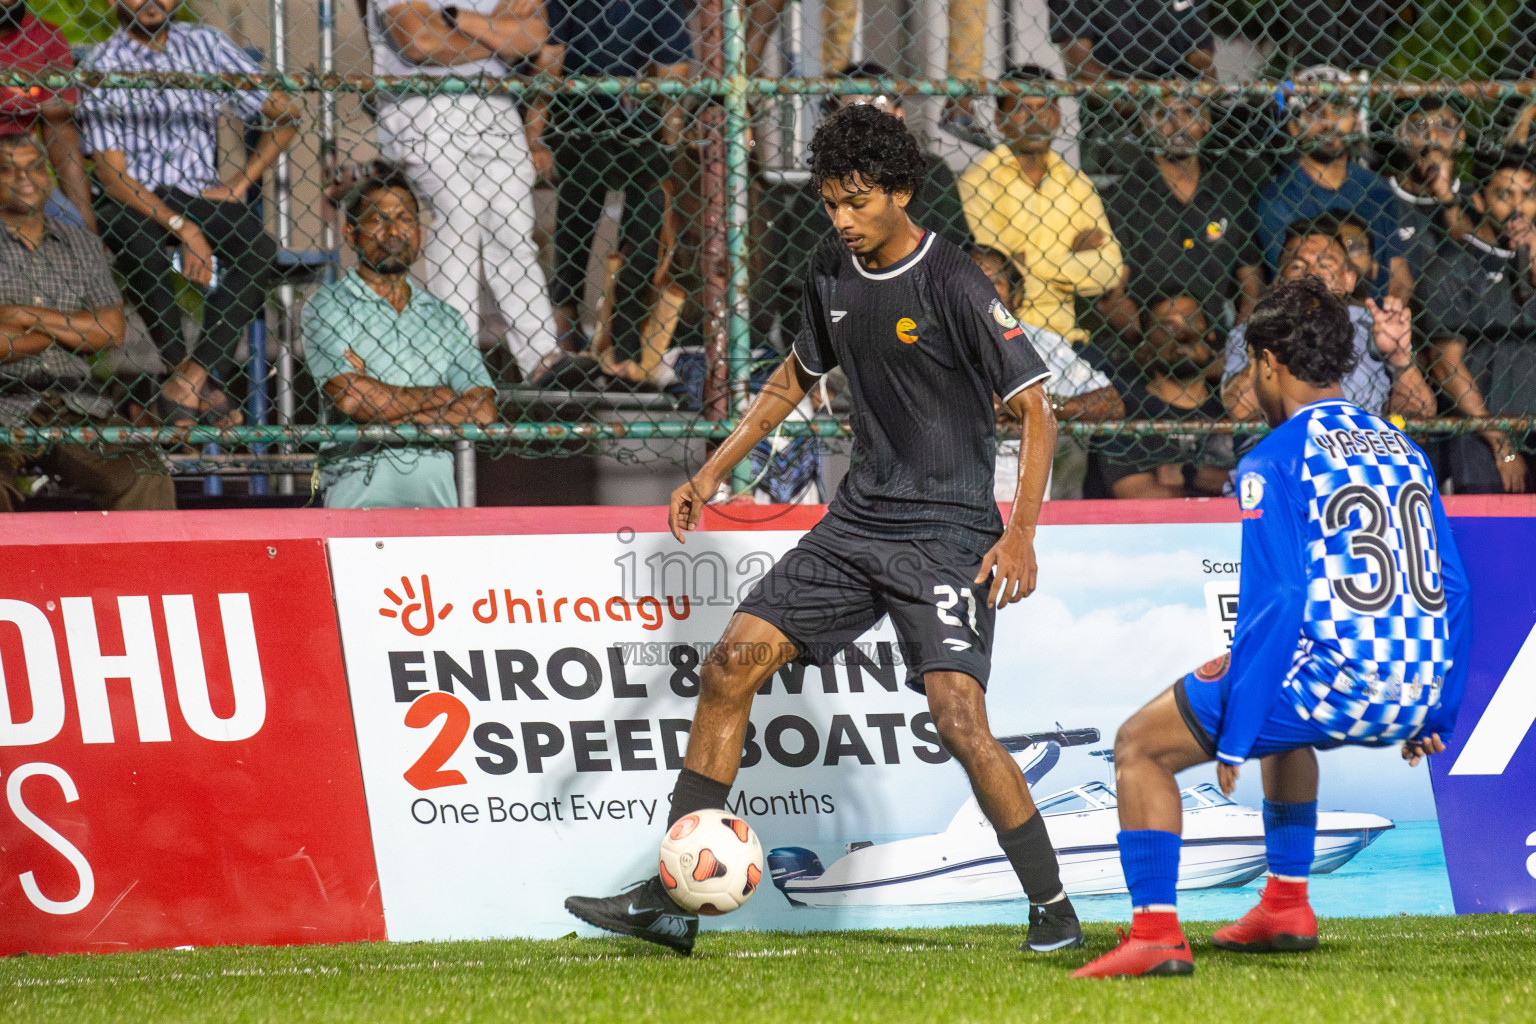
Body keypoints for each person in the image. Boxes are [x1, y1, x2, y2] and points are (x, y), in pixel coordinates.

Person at [566, 105, 1083, 956]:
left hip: (949, 534)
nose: (841, 219)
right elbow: (791, 379)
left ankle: (1053, 906)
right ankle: (669, 899)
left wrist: (1019, 533)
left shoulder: (953, 281)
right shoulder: (829, 269)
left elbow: (1036, 408)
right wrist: (710, 469)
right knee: (732, 665)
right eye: (831, 203)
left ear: (901, 194)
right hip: (856, 525)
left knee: (958, 719)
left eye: (856, 202)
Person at [1073, 276, 1470, 978]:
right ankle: (1286, 903)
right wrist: (1438, 708)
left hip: (1340, 683)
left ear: (1265, 362)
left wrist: (1235, 732)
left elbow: (1277, 600)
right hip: (1419, 691)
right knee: (1285, 726)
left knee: (1139, 745)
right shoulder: (1404, 449)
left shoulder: (1272, 460)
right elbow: (1456, 587)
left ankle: (1156, 934)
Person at [77, 0, 302, 425]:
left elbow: (285, 112)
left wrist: (240, 182)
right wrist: (184, 229)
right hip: (131, 197)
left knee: (258, 248)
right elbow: (112, 177)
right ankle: (191, 381)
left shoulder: (206, 46)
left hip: (197, 194)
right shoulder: (103, 62)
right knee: (140, 243)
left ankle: (189, 381)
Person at [366, 0, 558, 380]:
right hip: (420, 107)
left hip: (495, 107)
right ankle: (455, 360)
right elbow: (418, 42)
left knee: (513, 227)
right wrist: (500, 36)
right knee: (461, 212)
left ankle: (542, 357)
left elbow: (537, 37)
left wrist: (455, 23)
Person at [301, 169, 497, 509]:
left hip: (437, 508)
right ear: (351, 233)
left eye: (405, 219)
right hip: (354, 505)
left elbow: (483, 410)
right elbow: (353, 402)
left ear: (419, 232)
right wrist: (442, 397)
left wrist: (384, 402)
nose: (393, 232)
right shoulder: (327, 306)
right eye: (378, 220)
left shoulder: (444, 317)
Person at [0, 135, 173, 511]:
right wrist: (69, 331)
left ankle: (145, 572)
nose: (25, 177)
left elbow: (110, 330)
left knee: (145, 474)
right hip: (2, 403)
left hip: (74, 403)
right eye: (8, 169)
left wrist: (24, 316)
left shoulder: (81, 245)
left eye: (33, 166)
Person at [531, 0, 691, 366]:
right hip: (577, 113)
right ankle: (571, 322)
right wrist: (535, 132)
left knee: (646, 200)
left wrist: (671, 134)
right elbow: (551, 59)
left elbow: (673, 70)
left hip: (634, 114)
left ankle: (622, 331)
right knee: (581, 194)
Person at [958, 63, 1124, 347]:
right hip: (1008, 336)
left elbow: (1110, 268)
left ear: (1058, 114)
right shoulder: (977, 182)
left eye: (1044, 106)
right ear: (1000, 119)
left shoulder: (1077, 184)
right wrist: (1070, 257)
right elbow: (997, 276)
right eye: (1022, 108)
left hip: (1071, 339)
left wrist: (1028, 261)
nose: (1035, 118)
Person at [1223, 216, 1435, 422]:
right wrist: (1281, 331)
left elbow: (1421, 413)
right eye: (1297, 266)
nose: (1312, 273)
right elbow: (1239, 409)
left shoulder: (1374, 326)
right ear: (1280, 284)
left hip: (1359, 447)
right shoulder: (1252, 332)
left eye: (1325, 264)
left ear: (1349, 280)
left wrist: (1399, 358)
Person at [1100, 93, 1264, 347]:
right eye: (1163, 114)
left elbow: (1252, 286)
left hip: (1218, 342)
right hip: (1145, 348)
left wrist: (1235, 350)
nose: (1178, 125)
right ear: (1145, 122)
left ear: (1206, 121)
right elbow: (1113, 299)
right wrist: (1156, 349)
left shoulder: (1230, 192)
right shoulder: (1124, 199)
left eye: (1189, 113)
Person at [1417, 152, 1536, 495]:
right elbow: (1445, 364)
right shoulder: (1451, 268)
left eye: (1527, 195)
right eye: (1505, 195)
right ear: (1480, 201)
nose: (1518, 207)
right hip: (1478, 437)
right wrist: (1499, 441)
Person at [972, 244, 1123, 502]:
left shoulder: (1041, 342)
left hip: (1041, 511)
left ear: (1016, 297)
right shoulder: (930, 342)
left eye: (996, 283)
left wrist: (1034, 405)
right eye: (973, 280)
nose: (983, 291)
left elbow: (1112, 405)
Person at [1258, 66, 1411, 302]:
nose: (1329, 122)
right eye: (1315, 112)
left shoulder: (1378, 190)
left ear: (1356, 121)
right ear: (1294, 127)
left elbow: (1399, 275)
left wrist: (1385, 322)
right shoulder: (1278, 199)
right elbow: (1288, 282)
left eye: (1339, 109)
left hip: (1375, 325)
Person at [1049, 0, 1216, 177]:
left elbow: (1201, 55)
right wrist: (1143, 102)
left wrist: (1189, 97)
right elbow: (1081, 67)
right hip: (1115, 116)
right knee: (1122, 194)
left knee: (1214, 184)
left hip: (1184, 103)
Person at [1097, 295, 1233, 499]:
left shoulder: (1234, 406)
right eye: (1168, 326)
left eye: (1191, 320)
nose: (1183, 333)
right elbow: (1140, 496)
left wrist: (1187, 473)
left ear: (1210, 335)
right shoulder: (1124, 410)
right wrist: (1220, 482)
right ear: (1145, 346)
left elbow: (1263, 482)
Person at [0, 0, 94, 231]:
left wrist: (83, 213)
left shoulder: (45, 36)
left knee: (73, 226)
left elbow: (59, 128)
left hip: (18, 168)